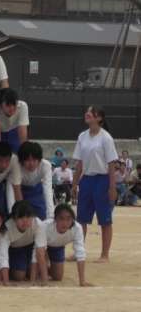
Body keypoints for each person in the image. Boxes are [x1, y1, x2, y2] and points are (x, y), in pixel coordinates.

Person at [72, 106, 118, 262]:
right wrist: (74, 184)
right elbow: (79, 163)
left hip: (102, 180)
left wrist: (112, 187)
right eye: (87, 111)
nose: (87, 114)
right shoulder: (82, 136)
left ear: (99, 118)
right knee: (81, 219)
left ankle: (105, 254)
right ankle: (78, 252)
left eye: (91, 113)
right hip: (86, 180)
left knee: (105, 220)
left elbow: (111, 164)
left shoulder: (106, 138)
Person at [33, 204, 90, 287]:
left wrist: (82, 281)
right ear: (55, 219)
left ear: (73, 219)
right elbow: (40, 252)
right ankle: (39, 267)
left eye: (68, 219)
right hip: (40, 247)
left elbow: (80, 253)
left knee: (57, 276)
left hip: (58, 247)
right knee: (22, 274)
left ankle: (46, 266)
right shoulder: (44, 226)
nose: (65, 223)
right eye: (61, 219)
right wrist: (44, 281)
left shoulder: (77, 228)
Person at [0, 200, 48, 286]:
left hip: (30, 248)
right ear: (14, 218)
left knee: (39, 269)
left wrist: (41, 281)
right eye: (21, 217)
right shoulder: (6, 228)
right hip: (14, 250)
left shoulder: (38, 224)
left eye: (28, 217)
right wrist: (6, 282)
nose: (25, 221)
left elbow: (39, 251)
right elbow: (2, 254)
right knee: (19, 275)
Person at [0, 89, 29, 154]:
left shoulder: (23, 106)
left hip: (13, 131)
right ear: (0, 105)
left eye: (14, 104)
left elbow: (22, 130)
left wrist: (24, 151)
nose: (12, 108)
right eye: (8, 105)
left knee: (17, 153)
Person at [18, 141, 54, 221]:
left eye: (34, 160)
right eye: (27, 160)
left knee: (41, 215)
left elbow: (48, 190)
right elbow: (11, 190)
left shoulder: (46, 165)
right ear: (22, 160)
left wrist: (51, 216)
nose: (31, 164)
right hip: (20, 191)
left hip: (36, 191)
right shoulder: (17, 166)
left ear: (39, 159)